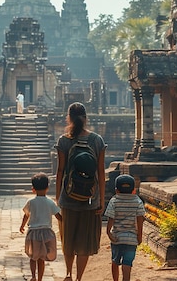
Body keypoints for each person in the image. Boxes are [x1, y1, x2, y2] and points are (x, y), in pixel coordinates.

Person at [55, 102, 107, 281]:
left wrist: (57, 198)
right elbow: (101, 172)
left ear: (68, 118)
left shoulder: (63, 140)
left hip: (68, 198)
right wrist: (101, 200)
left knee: (68, 240)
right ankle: (79, 278)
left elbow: (60, 171)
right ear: (86, 118)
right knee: (84, 243)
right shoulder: (96, 140)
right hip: (90, 199)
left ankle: (68, 274)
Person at [19, 172, 62, 281]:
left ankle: (33, 276)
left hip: (33, 232)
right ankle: (40, 279)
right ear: (47, 188)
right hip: (46, 232)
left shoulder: (31, 202)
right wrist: (66, 222)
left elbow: (26, 215)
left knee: (33, 257)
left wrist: (22, 226)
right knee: (42, 258)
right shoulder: (50, 202)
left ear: (33, 189)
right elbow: (58, 216)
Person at [104, 174, 145, 281]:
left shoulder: (114, 200)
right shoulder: (138, 201)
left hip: (117, 238)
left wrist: (108, 232)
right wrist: (139, 236)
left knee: (115, 261)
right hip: (131, 239)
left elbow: (111, 218)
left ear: (116, 190)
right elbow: (140, 220)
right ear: (134, 190)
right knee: (127, 263)